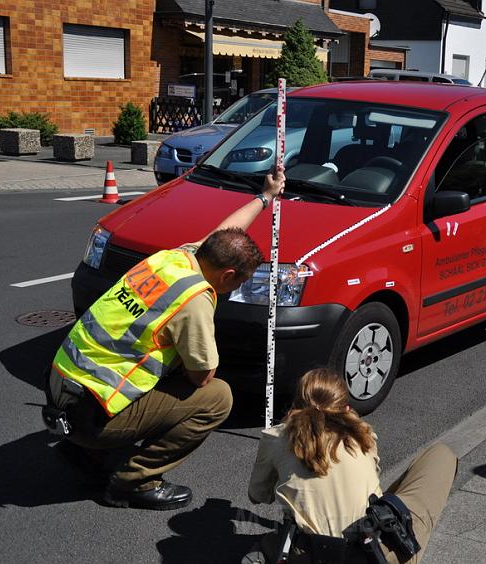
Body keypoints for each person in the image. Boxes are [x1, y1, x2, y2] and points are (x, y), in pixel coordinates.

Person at [45, 166, 285, 511]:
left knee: (159, 359)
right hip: (88, 415)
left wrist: (265, 197)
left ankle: (83, 451)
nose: (234, 291)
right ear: (228, 274)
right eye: (236, 284)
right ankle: (133, 481)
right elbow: (203, 374)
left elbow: (223, 233)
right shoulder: (194, 297)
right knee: (217, 398)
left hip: (62, 389)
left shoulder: (176, 258)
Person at [246, 368, 458, 563]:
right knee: (441, 455)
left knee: (272, 541)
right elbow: (373, 488)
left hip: (313, 555)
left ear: (296, 406)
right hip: (377, 554)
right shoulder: (363, 433)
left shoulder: (276, 437)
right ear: (346, 408)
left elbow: (257, 495)